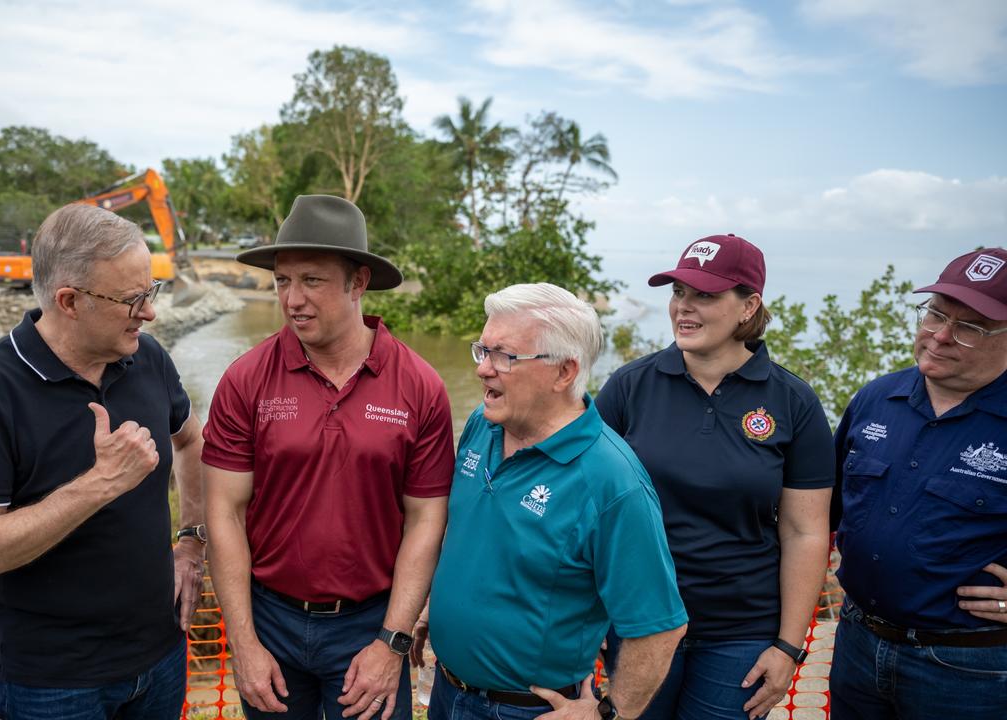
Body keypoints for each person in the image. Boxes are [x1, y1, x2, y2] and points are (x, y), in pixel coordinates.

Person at [0, 203, 206, 718]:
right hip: (56, 685)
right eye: (132, 300)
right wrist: (101, 483)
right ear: (69, 301)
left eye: (151, 292)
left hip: (163, 655)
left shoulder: (148, 358)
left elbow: (191, 442)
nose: (149, 313)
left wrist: (191, 543)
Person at [203, 195, 454, 720]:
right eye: (282, 281)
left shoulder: (420, 386)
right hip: (269, 619)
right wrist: (243, 643)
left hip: (369, 624)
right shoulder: (246, 379)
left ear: (358, 282)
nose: (293, 299)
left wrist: (392, 642)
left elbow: (426, 518)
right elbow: (224, 513)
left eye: (312, 280)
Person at [417, 283, 687, 720]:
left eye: (503, 356)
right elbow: (472, 533)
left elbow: (660, 627)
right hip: (448, 693)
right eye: (481, 350)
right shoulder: (482, 426)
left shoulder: (612, 482)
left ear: (564, 372)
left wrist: (608, 713)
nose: (483, 369)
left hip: (525, 711)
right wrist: (438, 605)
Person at [595, 234, 835, 720]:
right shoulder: (628, 386)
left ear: (748, 306)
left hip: (741, 633)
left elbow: (804, 531)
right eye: (678, 292)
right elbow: (586, 506)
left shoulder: (794, 402)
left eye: (704, 295)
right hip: (638, 620)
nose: (684, 307)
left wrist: (789, 648)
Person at [829, 247, 1007, 719]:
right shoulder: (875, 399)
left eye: (970, 327)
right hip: (856, 645)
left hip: (970, 668)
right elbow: (819, 511)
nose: (941, 336)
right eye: (934, 314)